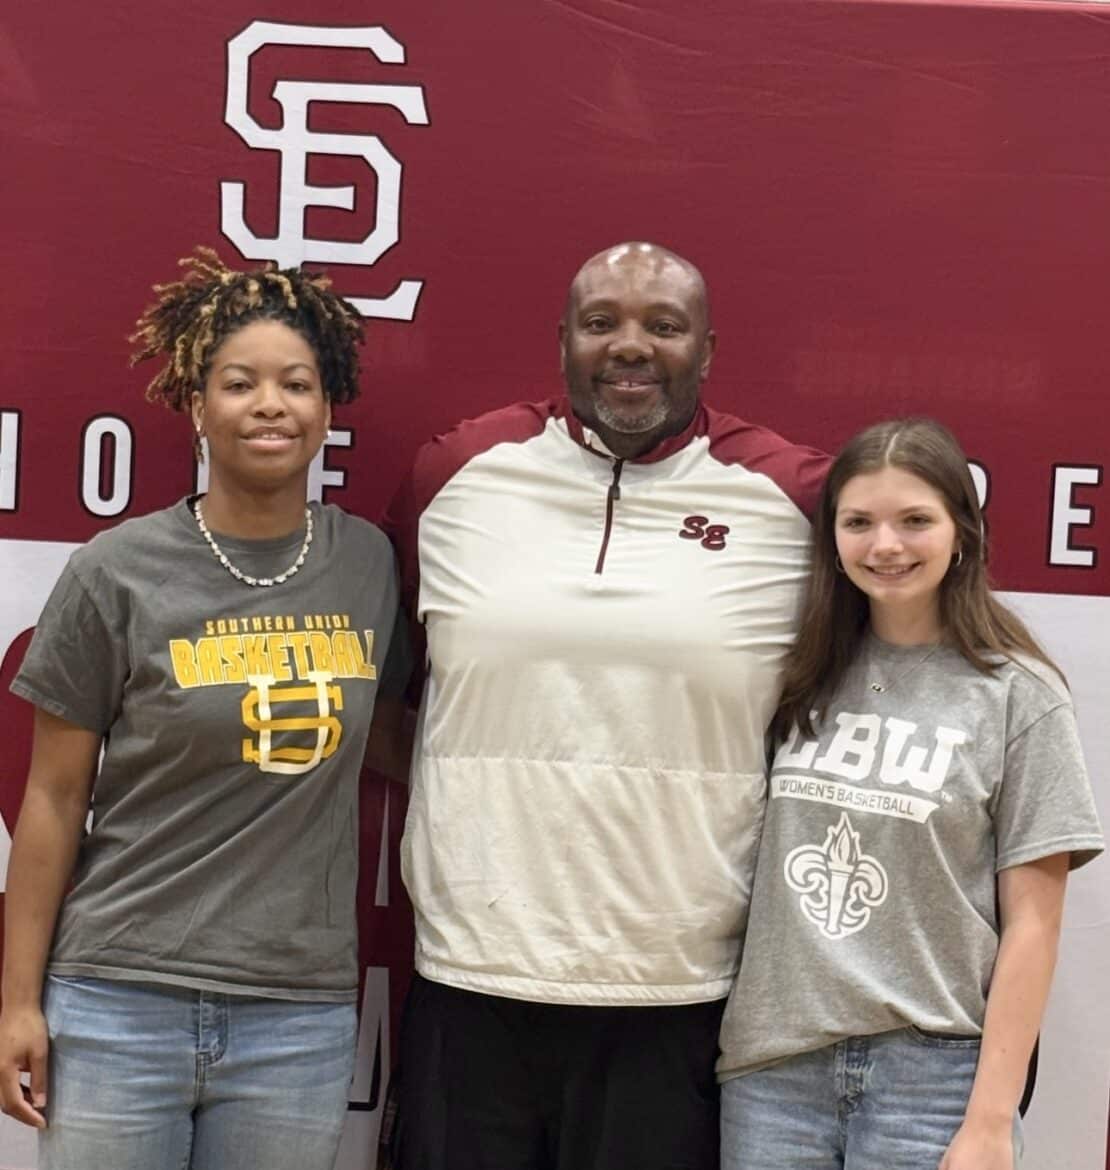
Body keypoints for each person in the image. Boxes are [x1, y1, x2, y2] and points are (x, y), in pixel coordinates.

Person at [382, 241, 829, 1170]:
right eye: (601, 323)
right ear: (562, 342)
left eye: (663, 325)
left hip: (677, 989)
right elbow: (390, 694)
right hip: (471, 973)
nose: (631, 345)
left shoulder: (792, 498)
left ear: (708, 349)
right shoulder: (456, 474)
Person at [0, 247, 409, 1170]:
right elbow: (54, 799)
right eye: (239, 383)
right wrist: (19, 1002)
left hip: (295, 1016)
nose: (270, 404)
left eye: (296, 384)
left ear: (327, 409)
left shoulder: (367, 565)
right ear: (196, 405)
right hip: (118, 999)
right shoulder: (116, 572)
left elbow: (394, 737)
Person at [717, 418, 1104, 1170]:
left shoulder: (1019, 695)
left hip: (933, 1078)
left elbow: (1034, 925)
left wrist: (990, 1119)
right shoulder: (791, 675)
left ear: (962, 531)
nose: (886, 545)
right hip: (773, 1074)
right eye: (859, 522)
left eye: (915, 520)